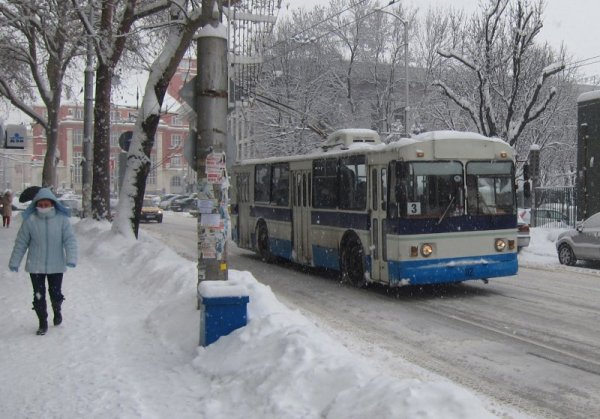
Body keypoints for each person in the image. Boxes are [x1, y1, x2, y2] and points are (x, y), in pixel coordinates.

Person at [8, 188, 78, 336]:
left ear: (52, 204)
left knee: (56, 293)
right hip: (36, 266)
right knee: (38, 295)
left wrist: (71, 258)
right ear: (36, 205)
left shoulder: (61, 220)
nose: (44, 207)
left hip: (56, 265)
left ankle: (57, 310)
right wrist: (15, 262)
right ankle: (42, 322)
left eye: (47, 204)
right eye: (41, 204)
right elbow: (21, 243)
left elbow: (70, 240)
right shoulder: (30, 221)